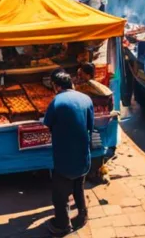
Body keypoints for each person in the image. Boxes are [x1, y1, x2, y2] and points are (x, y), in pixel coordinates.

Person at [43, 71, 94, 236]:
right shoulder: (86, 99)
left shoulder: (56, 101)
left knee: (60, 194)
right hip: (82, 154)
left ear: (56, 86)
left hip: (64, 156)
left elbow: (48, 124)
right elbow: (89, 126)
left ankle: (62, 225)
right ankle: (82, 214)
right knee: (79, 186)